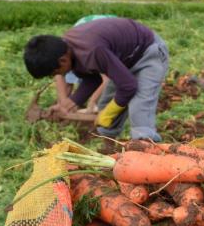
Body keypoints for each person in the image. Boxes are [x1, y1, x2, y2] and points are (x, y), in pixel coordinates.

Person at [23, 17, 169, 141]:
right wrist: (71, 103)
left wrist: (109, 113)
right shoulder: (69, 49)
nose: (58, 76)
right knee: (106, 103)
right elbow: (92, 79)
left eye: (54, 73)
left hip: (148, 53)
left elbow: (128, 86)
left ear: (62, 61)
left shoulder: (92, 50)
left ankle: (147, 152)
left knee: (139, 109)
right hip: (124, 61)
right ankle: (109, 147)